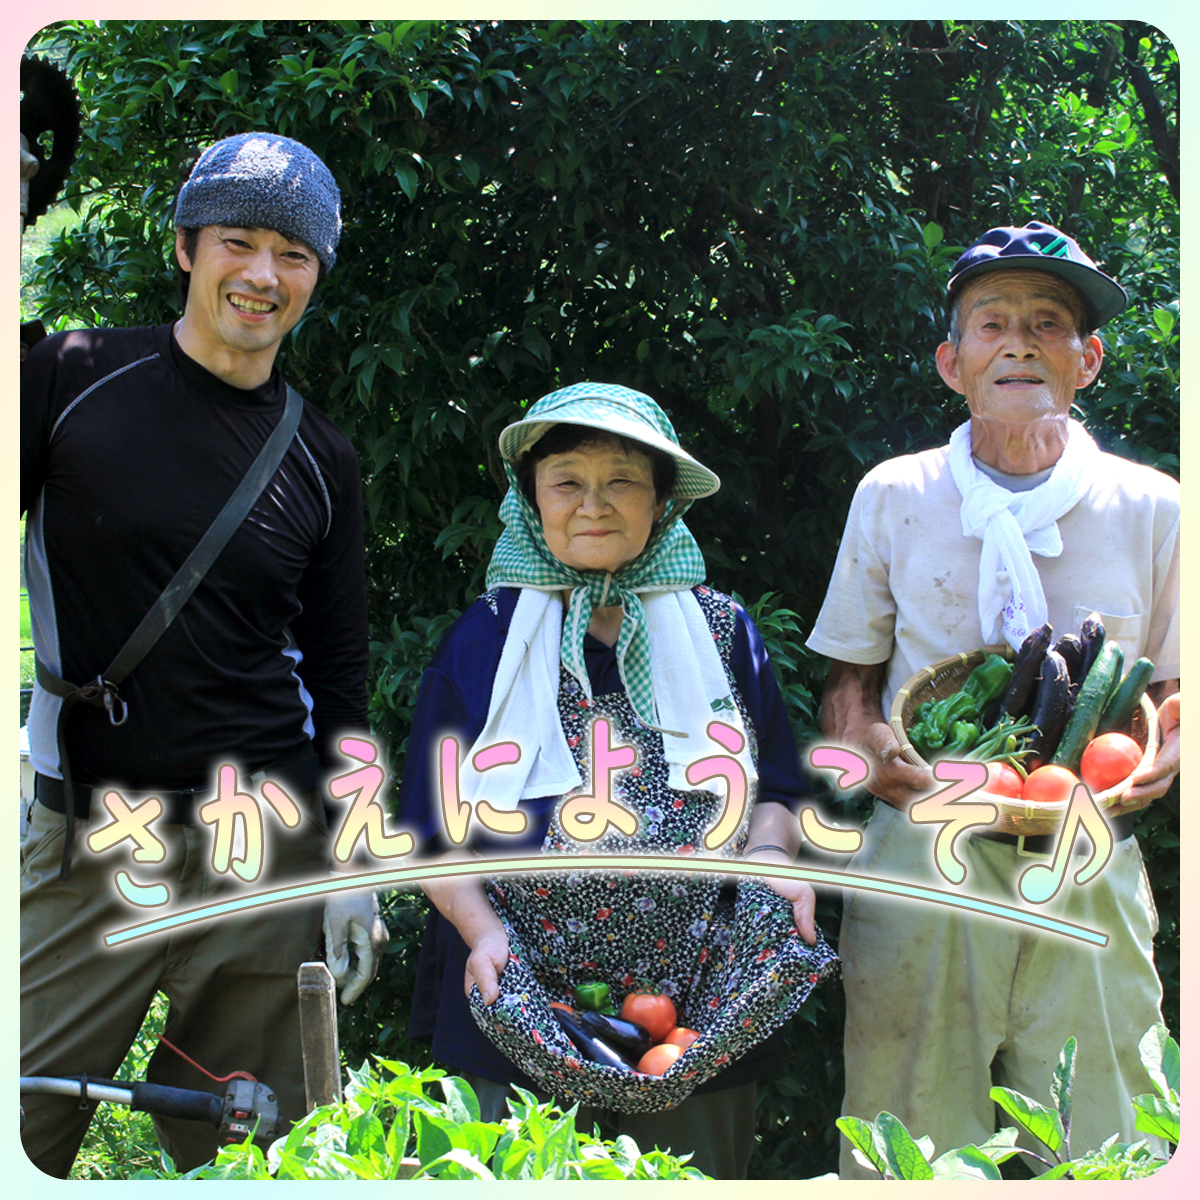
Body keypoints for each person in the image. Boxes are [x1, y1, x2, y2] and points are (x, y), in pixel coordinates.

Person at [21, 132, 386, 1176]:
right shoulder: (68, 379)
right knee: (19, 1118)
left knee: (255, 1151)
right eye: (238, 241)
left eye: (294, 254)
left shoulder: (322, 460)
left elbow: (338, 676)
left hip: (259, 851)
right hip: (87, 835)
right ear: (187, 247)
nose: (263, 274)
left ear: (315, 276)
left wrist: (353, 860)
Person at [805, 221, 1180, 1176]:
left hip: (1088, 860)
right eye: (992, 322)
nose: (1020, 341)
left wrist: (1167, 749)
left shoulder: (1152, 506)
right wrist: (870, 750)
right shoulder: (895, 492)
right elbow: (848, 680)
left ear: (1087, 359)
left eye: (1050, 323)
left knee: (1112, 1136)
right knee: (908, 1143)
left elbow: (1173, 692)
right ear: (952, 360)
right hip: (925, 854)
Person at [395, 383, 835, 1179]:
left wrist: (773, 862)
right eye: (567, 480)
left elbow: (774, 791)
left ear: (662, 502)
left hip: (695, 1010)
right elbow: (431, 829)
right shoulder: (487, 640)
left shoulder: (722, 632)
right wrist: (482, 932)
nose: (592, 504)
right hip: (516, 992)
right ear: (531, 497)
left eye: (623, 480)